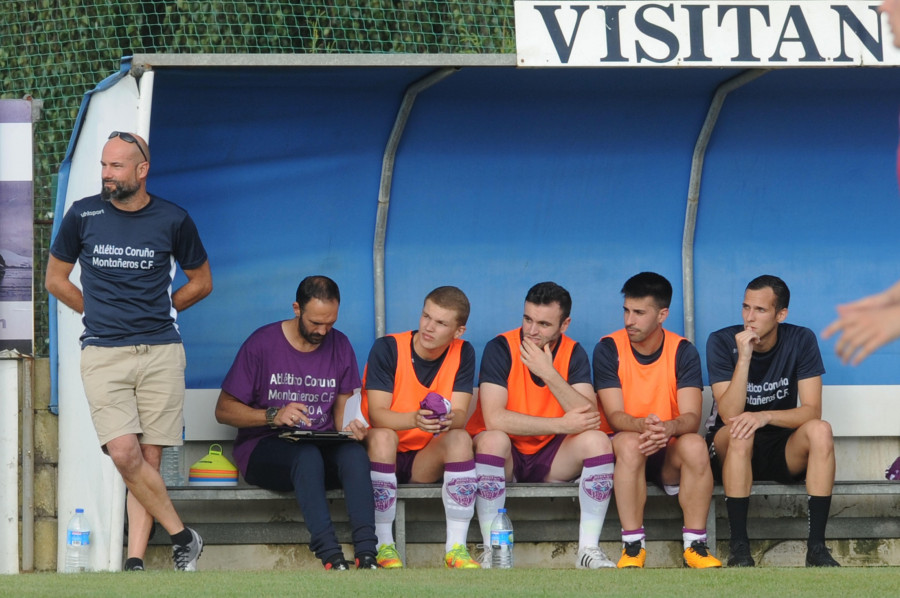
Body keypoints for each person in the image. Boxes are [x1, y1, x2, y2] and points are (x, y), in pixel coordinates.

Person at [45, 131, 212, 571]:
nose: (106, 175)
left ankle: (135, 561)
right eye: (103, 165)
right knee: (124, 453)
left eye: (116, 166)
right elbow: (55, 280)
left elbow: (202, 282)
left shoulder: (174, 219)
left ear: (142, 171)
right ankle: (183, 536)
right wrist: (96, 311)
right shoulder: (83, 215)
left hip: (161, 351)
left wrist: (164, 307)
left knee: (150, 459)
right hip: (103, 352)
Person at [215, 275, 378, 570]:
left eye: (330, 323)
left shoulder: (340, 344)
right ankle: (330, 555)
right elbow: (223, 410)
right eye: (316, 322)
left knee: (354, 454)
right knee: (306, 455)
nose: (322, 330)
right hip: (265, 448)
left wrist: (354, 428)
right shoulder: (262, 343)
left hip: (320, 443)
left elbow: (343, 415)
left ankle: (367, 554)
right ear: (296, 308)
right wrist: (271, 415)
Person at [466, 281, 616, 569]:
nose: (532, 331)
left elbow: (588, 417)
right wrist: (561, 424)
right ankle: (493, 551)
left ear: (565, 324)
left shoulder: (573, 352)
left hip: (552, 456)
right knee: (491, 439)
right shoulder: (501, 347)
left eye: (544, 324)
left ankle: (588, 551)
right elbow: (495, 418)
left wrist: (548, 373)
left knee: (598, 441)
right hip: (506, 455)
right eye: (527, 319)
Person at [706, 275, 840, 567]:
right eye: (745, 307)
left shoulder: (801, 339)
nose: (749, 318)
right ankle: (739, 547)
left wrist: (764, 415)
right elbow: (728, 414)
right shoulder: (720, 341)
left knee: (821, 430)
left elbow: (811, 411)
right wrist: (744, 357)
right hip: (731, 445)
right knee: (741, 431)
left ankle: (816, 548)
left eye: (760, 310)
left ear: (781, 314)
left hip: (779, 442)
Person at [593, 272, 721, 569]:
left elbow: (691, 417)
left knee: (695, 445)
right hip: (626, 445)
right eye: (626, 310)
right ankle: (633, 546)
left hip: (667, 447)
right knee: (629, 443)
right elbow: (614, 417)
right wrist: (645, 427)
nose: (629, 320)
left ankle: (695, 546)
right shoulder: (608, 348)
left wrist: (667, 428)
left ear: (662, 314)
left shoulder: (683, 350)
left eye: (639, 313)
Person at [360, 286, 480, 569]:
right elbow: (377, 415)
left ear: (458, 331)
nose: (428, 327)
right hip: (379, 450)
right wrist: (415, 419)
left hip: (423, 458)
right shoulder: (388, 347)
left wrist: (449, 419)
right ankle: (383, 544)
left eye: (440, 323)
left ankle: (456, 549)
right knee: (384, 436)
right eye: (426, 316)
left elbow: (461, 413)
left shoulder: (464, 351)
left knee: (460, 438)